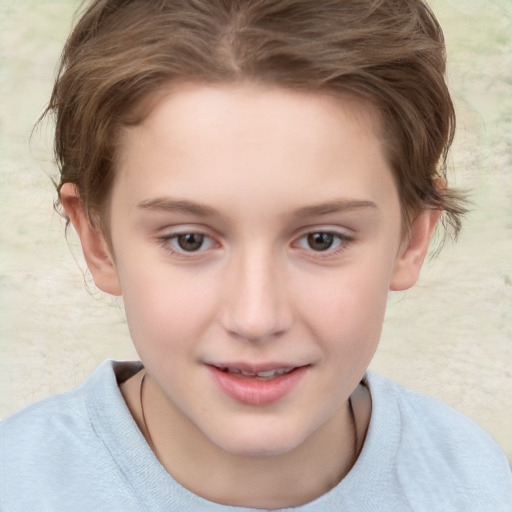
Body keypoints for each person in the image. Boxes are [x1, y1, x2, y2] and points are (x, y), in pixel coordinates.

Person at [1, 0, 511, 510]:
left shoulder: (475, 482)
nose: (256, 318)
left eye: (321, 240)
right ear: (97, 239)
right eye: (189, 240)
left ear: (411, 238)